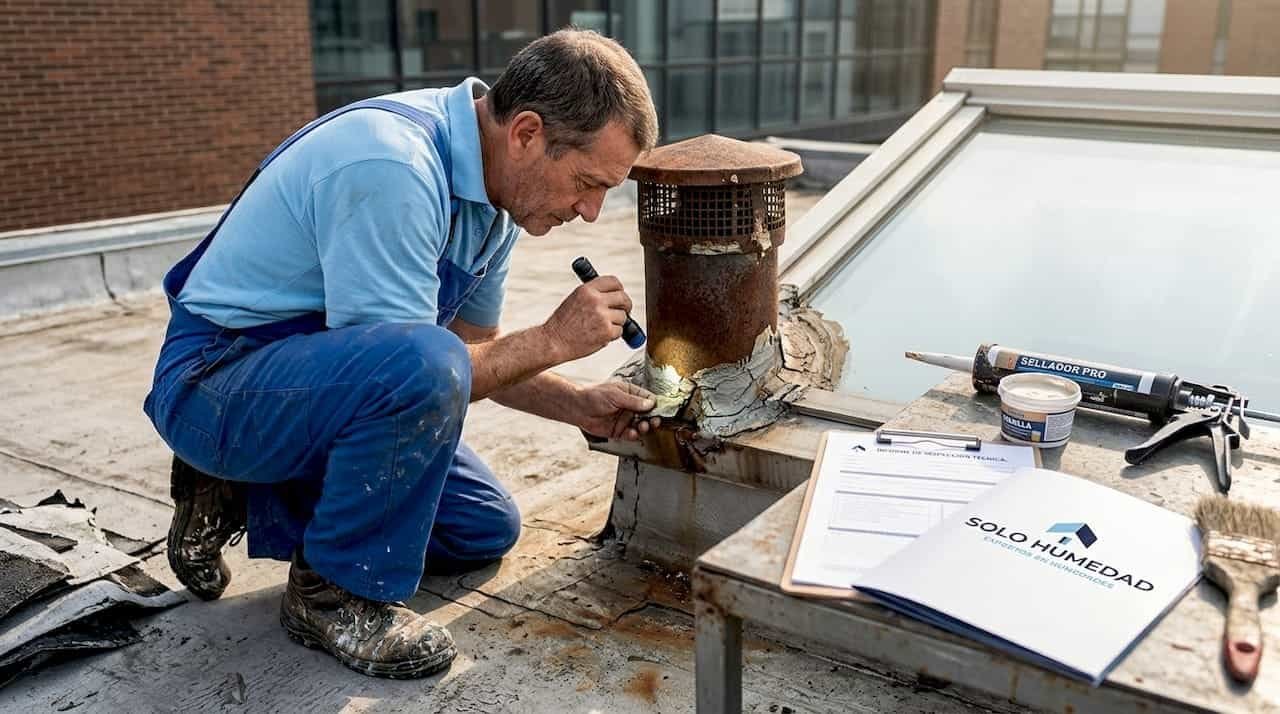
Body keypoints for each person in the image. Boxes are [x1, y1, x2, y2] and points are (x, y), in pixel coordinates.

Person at [143, 29, 660, 679]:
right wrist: (554, 338)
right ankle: (333, 595)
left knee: (481, 530)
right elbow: (417, 373)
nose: (591, 212)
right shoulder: (391, 165)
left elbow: (476, 354)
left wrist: (580, 406)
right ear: (526, 133)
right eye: (588, 183)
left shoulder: (494, 203)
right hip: (215, 386)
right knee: (419, 363)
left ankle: (248, 487)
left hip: (309, 389)